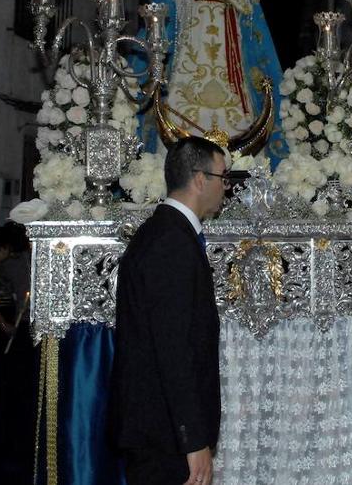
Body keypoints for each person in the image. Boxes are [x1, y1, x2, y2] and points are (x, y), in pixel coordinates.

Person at [112, 137, 226, 485]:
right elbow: (173, 348)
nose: (226, 186)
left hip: (162, 429)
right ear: (200, 179)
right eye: (223, 176)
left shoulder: (167, 232)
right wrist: (191, 438)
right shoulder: (170, 243)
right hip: (162, 434)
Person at [139, 0, 285, 155]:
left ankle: (235, 123)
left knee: (227, 74)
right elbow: (177, 1)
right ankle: (183, 117)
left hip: (224, 28)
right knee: (190, 70)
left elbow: (246, 1)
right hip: (195, 29)